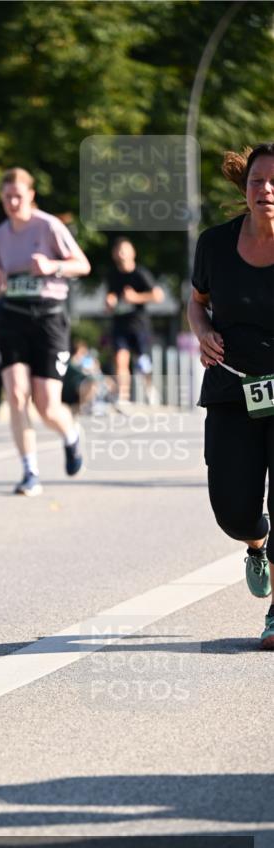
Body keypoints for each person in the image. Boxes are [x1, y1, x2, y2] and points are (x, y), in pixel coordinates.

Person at [188, 142, 274, 650]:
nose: (267, 189)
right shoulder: (215, 244)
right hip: (231, 387)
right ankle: (257, 542)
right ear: (245, 188)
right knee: (232, 511)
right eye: (258, 180)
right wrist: (202, 332)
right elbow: (197, 303)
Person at [0, 167, 91, 496]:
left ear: (31, 195)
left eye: (18, 196)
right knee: (17, 395)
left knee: (47, 405)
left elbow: (83, 265)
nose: (13, 202)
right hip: (13, 318)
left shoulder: (49, 226)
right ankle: (30, 472)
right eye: (7, 197)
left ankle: (71, 435)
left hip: (48, 319)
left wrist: (52, 266)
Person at [105, 237, 164, 408]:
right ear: (114, 254)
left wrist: (136, 297)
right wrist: (110, 302)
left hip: (139, 324)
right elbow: (110, 298)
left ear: (133, 253)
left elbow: (158, 295)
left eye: (125, 250)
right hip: (119, 323)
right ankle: (123, 397)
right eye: (119, 251)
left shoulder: (140, 273)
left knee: (142, 362)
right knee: (120, 359)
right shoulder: (112, 275)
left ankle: (150, 389)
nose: (122, 254)